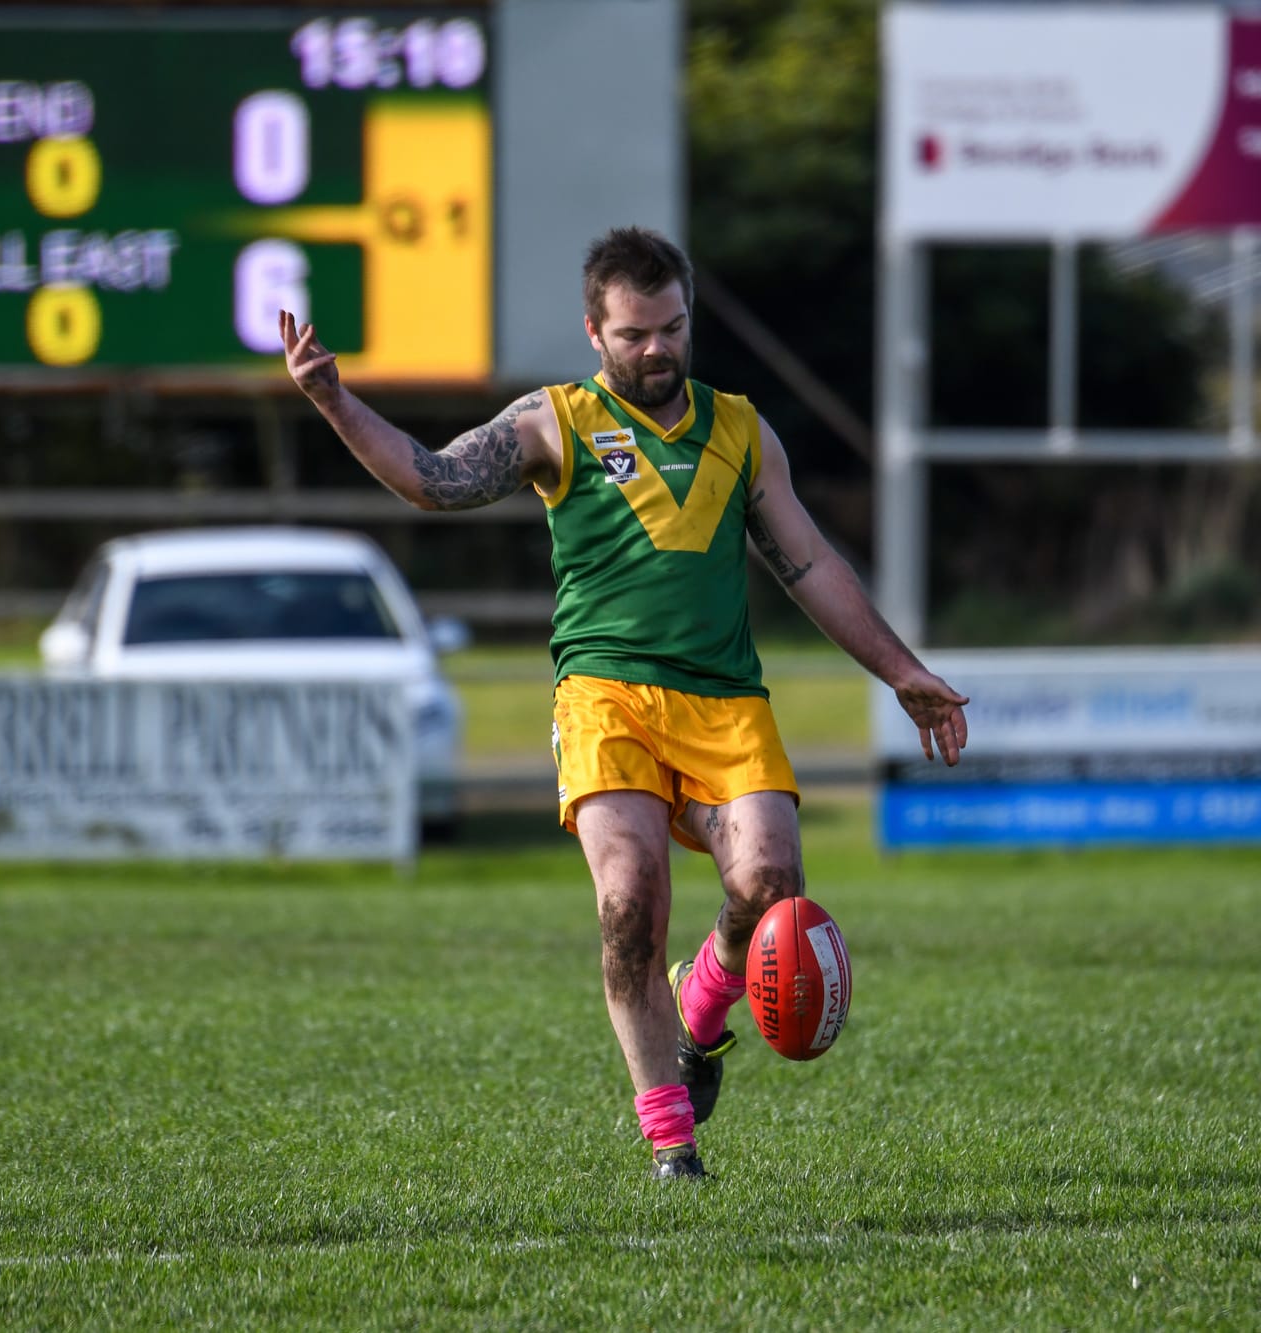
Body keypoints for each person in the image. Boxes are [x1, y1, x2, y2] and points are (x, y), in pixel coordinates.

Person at [279, 227, 969, 1180]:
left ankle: (702, 1006)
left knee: (772, 885)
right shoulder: (552, 421)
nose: (658, 350)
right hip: (604, 697)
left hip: (724, 699)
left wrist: (901, 671)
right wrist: (332, 399)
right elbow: (431, 480)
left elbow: (809, 563)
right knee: (629, 900)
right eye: (636, 333)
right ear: (595, 333)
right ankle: (673, 1145)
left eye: (673, 328)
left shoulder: (740, 431)